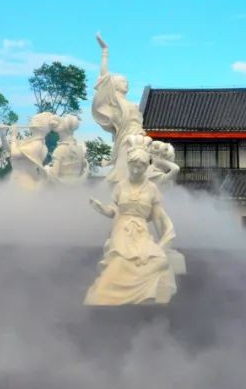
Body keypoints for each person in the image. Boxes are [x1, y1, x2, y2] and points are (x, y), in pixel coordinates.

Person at [84, 144, 177, 305]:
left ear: (146, 167)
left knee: (160, 260)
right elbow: (114, 210)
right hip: (122, 229)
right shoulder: (120, 186)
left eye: (140, 166)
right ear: (128, 165)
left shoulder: (152, 189)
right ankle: (105, 293)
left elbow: (157, 219)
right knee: (121, 260)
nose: (135, 170)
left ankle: (141, 290)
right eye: (133, 166)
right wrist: (102, 209)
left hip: (141, 232)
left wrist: (162, 243)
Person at [91, 33, 146, 183]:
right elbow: (104, 77)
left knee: (141, 169)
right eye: (122, 81)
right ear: (114, 85)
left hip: (139, 139)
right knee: (122, 171)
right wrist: (105, 52)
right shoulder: (114, 102)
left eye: (127, 81)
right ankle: (107, 191)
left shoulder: (130, 104)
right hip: (126, 139)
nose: (126, 83)